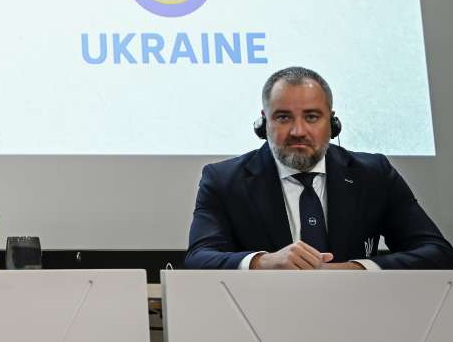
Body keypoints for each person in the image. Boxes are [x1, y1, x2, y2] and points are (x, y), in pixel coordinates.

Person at [185, 66, 452, 270]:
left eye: (312, 117)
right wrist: (263, 263)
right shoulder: (223, 179)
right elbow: (199, 258)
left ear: (333, 123)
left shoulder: (373, 174)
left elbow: (437, 252)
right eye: (283, 117)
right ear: (263, 123)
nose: (298, 131)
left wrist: (356, 268)